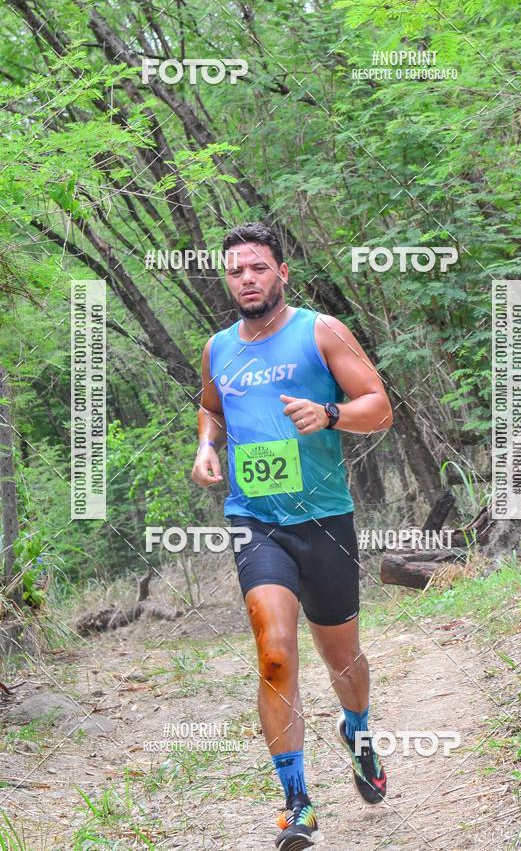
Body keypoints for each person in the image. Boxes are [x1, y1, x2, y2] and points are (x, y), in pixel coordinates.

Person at [191, 222, 393, 849]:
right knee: (275, 653)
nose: (246, 279)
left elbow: (379, 406)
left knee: (344, 661)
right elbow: (211, 407)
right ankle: (296, 803)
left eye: (257, 267)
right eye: (235, 271)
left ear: (282, 272)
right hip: (255, 522)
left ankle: (356, 728)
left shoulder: (320, 331)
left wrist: (329, 413)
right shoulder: (218, 347)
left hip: (325, 521)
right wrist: (206, 447)